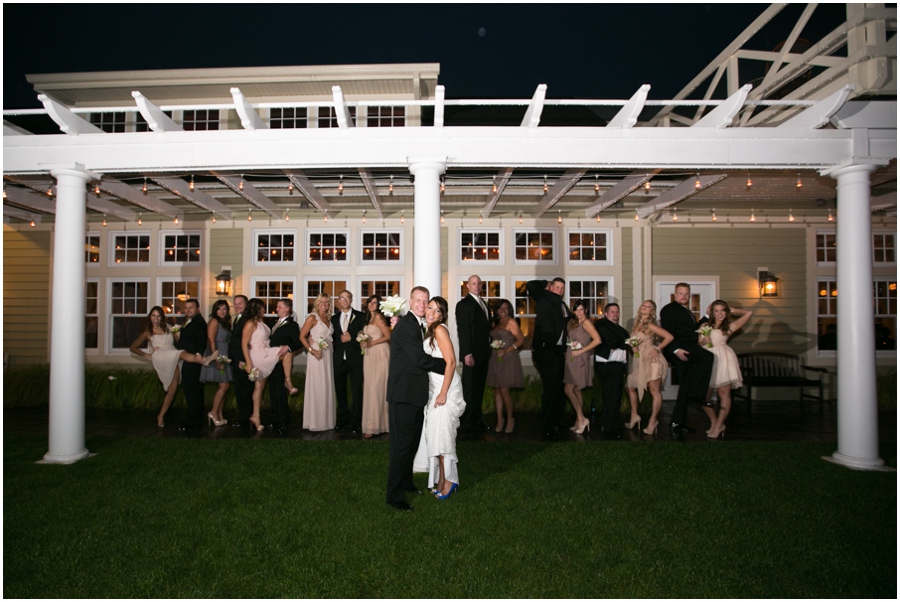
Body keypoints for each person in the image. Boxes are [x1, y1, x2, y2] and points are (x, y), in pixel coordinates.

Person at [385, 286, 446, 512]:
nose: (422, 304)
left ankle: (406, 482)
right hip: (404, 395)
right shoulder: (408, 327)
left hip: (413, 394)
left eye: (425, 301)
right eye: (418, 300)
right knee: (402, 447)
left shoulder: (417, 325)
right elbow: (419, 360)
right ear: (410, 302)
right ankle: (394, 496)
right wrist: (445, 365)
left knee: (410, 445)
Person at [129, 305, 218, 428]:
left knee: (173, 388)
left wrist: (177, 334)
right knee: (181, 353)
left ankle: (161, 415)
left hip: (172, 355)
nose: (156, 318)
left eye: (159, 316)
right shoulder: (148, 331)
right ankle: (203, 360)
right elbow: (133, 347)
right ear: (150, 317)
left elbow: (180, 340)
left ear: (162, 318)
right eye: (153, 315)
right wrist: (148, 355)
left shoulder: (168, 328)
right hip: (161, 356)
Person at [422, 296, 466, 499]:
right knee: (437, 436)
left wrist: (443, 393)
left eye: (437, 310)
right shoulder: (429, 329)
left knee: (444, 436)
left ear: (442, 315)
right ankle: (441, 480)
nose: (431, 312)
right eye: (429, 307)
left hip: (445, 387)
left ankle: (450, 481)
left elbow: (451, 362)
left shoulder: (439, 329)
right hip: (435, 386)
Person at [660, 282, 714, 436]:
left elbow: (693, 329)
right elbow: (667, 332)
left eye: (686, 294)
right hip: (681, 347)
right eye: (680, 293)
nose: (683, 296)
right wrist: (675, 350)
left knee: (684, 386)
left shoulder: (686, 311)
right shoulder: (670, 309)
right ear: (675, 294)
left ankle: (678, 423)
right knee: (708, 357)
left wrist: (707, 315)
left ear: (689, 295)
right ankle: (697, 394)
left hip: (688, 346)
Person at [527, 277, 573, 440]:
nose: (560, 290)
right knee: (551, 387)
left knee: (559, 388)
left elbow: (570, 322)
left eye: (562, 288)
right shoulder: (544, 297)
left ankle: (555, 419)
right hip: (545, 350)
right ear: (551, 287)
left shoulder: (562, 305)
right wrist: (546, 283)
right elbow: (530, 285)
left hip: (558, 352)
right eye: (557, 287)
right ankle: (547, 426)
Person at [699, 300, 753, 439]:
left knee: (724, 394)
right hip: (708, 360)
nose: (720, 313)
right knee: (703, 397)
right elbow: (700, 343)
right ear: (712, 312)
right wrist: (704, 339)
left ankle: (719, 426)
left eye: (722, 310)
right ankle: (715, 422)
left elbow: (749, 313)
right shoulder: (705, 325)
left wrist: (735, 310)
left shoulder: (729, 326)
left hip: (723, 359)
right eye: (716, 310)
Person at [240, 298, 292, 431]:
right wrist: (248, 363)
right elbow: (244, 344)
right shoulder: (250, 323)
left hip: (265, 351)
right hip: (258, 354)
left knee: (259, 386)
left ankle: (255, 416)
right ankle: (287, 381)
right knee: (285, 351)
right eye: (262, 307)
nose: (265, 309)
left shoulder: (261, 322)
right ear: (256, 308)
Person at [625, 300, 674, 435]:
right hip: (639, 360)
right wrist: (634, 347)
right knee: (630, 387)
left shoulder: (650, 325)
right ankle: (635, 415)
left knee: (654, 391)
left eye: (648, 307)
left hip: (652, 360)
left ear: (652, 312)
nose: (645, 308)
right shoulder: (637, 325)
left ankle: (653, 421)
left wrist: (658, 349)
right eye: (644, 305)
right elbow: (635, 342)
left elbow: (669, 337)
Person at [456, 275, 492, 434]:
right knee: (469, 390)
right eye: (474, 284)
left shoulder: (483, 303)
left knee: (478, 389)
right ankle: (466, 424)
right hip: (472, 355)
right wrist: (467, 353)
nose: (477, 286)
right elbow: (463, 331)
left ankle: (477, 421)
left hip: (484, 354)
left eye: (479, 284)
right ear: (468, 286)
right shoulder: (464, 304)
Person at [486, 299, 524, 434]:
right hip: (495, 359)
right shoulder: (496, 323)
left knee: (504, 391)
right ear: (496, 310)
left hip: (508, 358)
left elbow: (521, 340)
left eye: (506, 308)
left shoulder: (511, 322)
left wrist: (506, 350)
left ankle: (510, 419)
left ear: (509, 310)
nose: (503, 311)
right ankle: (499, 420)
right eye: (500, 308)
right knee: (496, 390)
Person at [563, 299, 602, 435]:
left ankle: (582, 418)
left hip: (580, 358)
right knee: (577, 389)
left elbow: (598, 340)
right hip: (571, 357)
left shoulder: (586, 323)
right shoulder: (572, 323)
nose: (579, 312)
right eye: (576, 309)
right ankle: (577, 421)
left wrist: (581, 351)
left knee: (568, 389)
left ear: (585, 310)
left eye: (581, 309)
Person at [593, 303, 631, 439]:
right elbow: (613, 341)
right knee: (611, 397)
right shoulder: (601, 325)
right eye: (612, 312)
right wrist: (624, 342)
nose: (615, 314)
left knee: (614, 397)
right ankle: (608, 428)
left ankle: (609, 424)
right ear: (606, 314)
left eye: (617, 312)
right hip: (608, 366)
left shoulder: (619, 329)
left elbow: (626, 343)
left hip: (618, 367)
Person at [175, 299, 213, 430]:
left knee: (192, 391)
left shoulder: (198, 323)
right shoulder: (190, 322)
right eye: (186, 307)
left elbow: (200, 339)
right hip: (188, 359)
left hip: (193, 360)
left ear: (198, 309)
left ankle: (194, 421)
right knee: (192, 390)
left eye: (191, 307)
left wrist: (197, 354)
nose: (188, 310)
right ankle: (194, 417)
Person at [300, 293, 336, 431]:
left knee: (326, 385)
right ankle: (315, 421)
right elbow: (302, 336)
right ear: (317, 303)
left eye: (327, 302)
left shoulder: (328, 318)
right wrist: (311, 350)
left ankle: (326, 420)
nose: (324, 304)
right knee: (317, 385)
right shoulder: (312, 317)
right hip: (316, 355)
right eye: (321, 301)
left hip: (328, 354)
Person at [266, 298, 303, 433]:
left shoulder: (291, 325)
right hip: (270, 361)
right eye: (277, 307)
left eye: (280, 307)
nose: (277, 309)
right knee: (272, 390)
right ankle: (275, 418)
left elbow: (299, 342)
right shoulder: (273, 324)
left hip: (282, 361)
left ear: (287, 309)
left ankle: (284, 420)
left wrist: (288, 347)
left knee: (280, 390)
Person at [332, 290, 365, 432]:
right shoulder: (334, 319)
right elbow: (330, 337)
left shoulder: (361, 317)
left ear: (351, 300)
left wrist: (353, 338)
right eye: (342, 298)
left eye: (347, 298)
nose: (344, 300)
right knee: (340, 391)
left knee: (357, 391)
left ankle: (356, 421)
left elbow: (366, 334)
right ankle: (343, 419)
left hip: (356, 359)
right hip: (339, 359)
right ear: (338, 301)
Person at [360, 294, 391, 438]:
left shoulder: (378, 317)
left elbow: (387, 336)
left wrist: (371, 343)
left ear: (379, 305)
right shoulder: (368, 318)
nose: (372, 304)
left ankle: (374, 426)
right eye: (370, 302)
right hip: (369, 355)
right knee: (370, 388)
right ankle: (375, 424)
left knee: (376, 389)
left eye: (375, 302)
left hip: (379, 353)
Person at [199, 299, 232, 427]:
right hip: (218, 354)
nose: (222, 311)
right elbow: (211, 340)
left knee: (224, 385)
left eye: (224, 308)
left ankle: (219, 413)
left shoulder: (226, 322)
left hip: (225, 354)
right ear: (215, 310)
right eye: (219, 308)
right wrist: (216, 358)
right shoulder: (214, 321)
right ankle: (213, 412)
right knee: (224, 386)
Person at [228, 295, 253, 428]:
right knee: (240, 390)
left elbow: (246, 342)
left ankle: (246, 418)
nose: (237, 306)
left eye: (240, 304)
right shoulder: (237, 319)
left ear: (246, 305)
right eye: (235, 304)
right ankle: (244, 416)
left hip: (242, 360)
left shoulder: (246, 320)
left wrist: (243, 360)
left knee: (244, 390)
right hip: (235, 359)